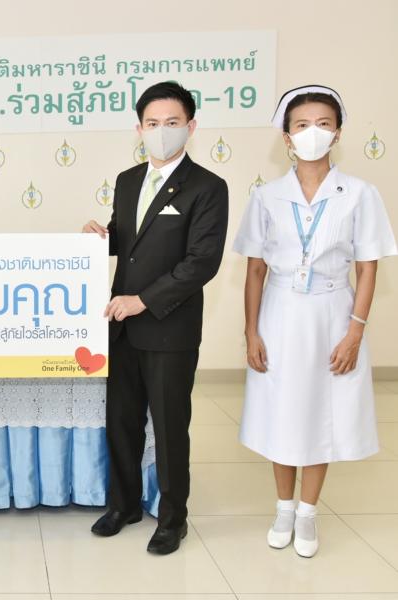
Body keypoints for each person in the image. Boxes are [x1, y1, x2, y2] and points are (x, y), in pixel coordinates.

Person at [233, 85, 397, 558]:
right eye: (302, 125)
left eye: (323, 124)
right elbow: (255, 270)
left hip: (332, 311)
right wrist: (251, 331)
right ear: (286, 137)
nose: (313, 133)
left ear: (337, 133)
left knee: (321, 411)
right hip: (280, 312)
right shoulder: (267, 196)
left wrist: (355, 331)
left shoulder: (360, 194)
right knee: (283, 411)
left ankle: (308, 512)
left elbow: (368, 268)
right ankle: (283, 507)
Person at [83, 81, 229, 555]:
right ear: (139, 128)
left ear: (191, 126)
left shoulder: (208, 187)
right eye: (152, 123)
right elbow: (128, 240)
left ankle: (172, 519)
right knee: (121, 423)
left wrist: (142, 300)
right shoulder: (128, 180)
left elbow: (200, 263)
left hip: (169, 327)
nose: (161, 131)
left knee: (168, 429)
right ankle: (124, 505)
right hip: (121, 326)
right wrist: (98, 238)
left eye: (171, 122)